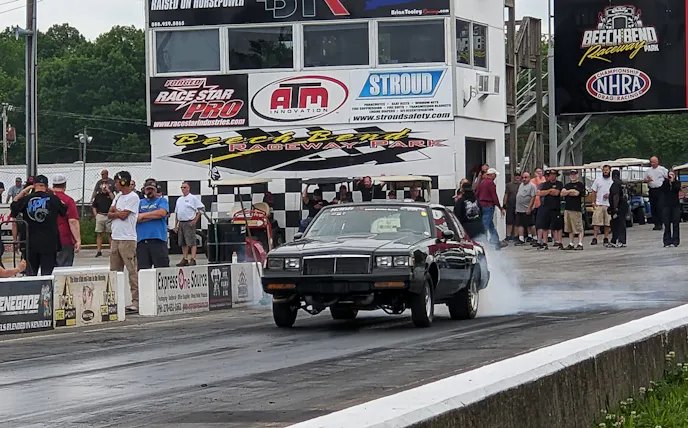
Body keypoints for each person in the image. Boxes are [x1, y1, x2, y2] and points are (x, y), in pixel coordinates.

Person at [10, 174, 67, 275]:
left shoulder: (27, 199)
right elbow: (64, 209)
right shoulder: (54, 199)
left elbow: (13, 205)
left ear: (34, 185)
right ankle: (46, 286)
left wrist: (24, 191)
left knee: (31, 274)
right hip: (49, 243)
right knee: (47, 274)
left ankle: (32, 285)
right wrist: (53, 193)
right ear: (46, 186)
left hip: (30, 242)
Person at [108, 171, 140, 313]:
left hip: (128, 238)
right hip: (116, 237)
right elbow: (110, 213)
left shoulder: (133, 197)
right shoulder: (118, 196)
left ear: (123, 182)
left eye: (116, 182)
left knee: (132, 270)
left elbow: (123, 215)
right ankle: (116, 300)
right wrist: (117, 212)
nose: (115, 185)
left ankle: (136, 300)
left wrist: (116, 212)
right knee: (114, 271)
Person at [137, 179, 170, 269]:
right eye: (148, 189)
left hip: (158, 240)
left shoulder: (162, 201)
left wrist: (143, 215)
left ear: (156, 190)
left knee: (162, 270)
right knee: (143, 271)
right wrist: (153, 215)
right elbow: (135, 218)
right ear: (144, 190)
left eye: (152, 189)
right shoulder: (139, 203)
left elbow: (162, 213)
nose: (150, 191)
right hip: (142, 241)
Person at [51, 174, 81, 266]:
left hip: (47, 239)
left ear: (53, 185)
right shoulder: (68, 200)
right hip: (64, 238)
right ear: (65, 185)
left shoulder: (46, 198)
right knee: (63, 269)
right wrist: (78, 239)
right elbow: (73, 221)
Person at [174, 181, 205, 266]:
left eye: (185, 187)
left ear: (189, 188)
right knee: (183, 242)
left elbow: (201, 209)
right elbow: (177, 213)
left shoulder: (193, 198)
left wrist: (195, 220)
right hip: (181, 222)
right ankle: (185, 258)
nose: (183, 189)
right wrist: (176, 225)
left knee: (191, 242)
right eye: (182, 187)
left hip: (189, 222)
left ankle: (193, 258)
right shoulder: (179, 199)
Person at [474, 167, 506, 249]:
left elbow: (477, 194)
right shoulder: (491, 183)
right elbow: (494, 196)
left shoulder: (482, 182)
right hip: (488, 205)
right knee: (485, 225)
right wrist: (500, 207)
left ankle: (496, 241)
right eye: (495, 175)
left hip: (481, 205)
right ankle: (484, 243)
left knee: (490, 224)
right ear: (491, 175)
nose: (495, 176)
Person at [535, 170, 563, 250]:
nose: (552, 176)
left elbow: (556, 193)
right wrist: (550, 191)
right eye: (551, 174)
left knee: (558, 226)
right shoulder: (545, 184)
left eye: (554, 174)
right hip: (546, 207)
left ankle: (559, 242)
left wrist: (547, 192)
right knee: (545, 226)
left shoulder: (559, 184)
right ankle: (545, 242)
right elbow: (540, 193)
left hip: (556, 208)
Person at [560, 169, 586, 250]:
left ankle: (580, 243)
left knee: (578, 227)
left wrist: (568, 192)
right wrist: (571, 191)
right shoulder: (567, 185)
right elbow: (562, 193)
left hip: (576, 209)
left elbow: (576, 193)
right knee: (569, 227)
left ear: (577, 175)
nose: (573, 176)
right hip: (567, 209)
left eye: (574, 174)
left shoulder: (580, 185)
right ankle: (571, 243)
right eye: (571, 174)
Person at [590, 165, 613, 246]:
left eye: (607, 170)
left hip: (608, 204)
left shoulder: (612, 181)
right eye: (604, 170)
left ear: (610, 171)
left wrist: (609, 195)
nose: (605, 172)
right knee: (596, 222)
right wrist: (593, 202)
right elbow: (593, 191)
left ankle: (605, 237)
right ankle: (595, 238)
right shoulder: (598, 180)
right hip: (599, 204)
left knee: (607, 223)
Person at [645, 156, 668, 231]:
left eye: (654, 162)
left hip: (660, 190)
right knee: (653, 207)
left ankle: (660, 223)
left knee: (660, 207)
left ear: (657, 162)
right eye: (651, 162)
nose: (652, 164)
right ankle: (656, 224)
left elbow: (668, 177)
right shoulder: (648, 171)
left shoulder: (662, 169)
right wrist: (647, 180)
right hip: (652, 190)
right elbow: (645, 179)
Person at [513, 171, 536, 246]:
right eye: (522, 177)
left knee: (531, 224)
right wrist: (516, 208)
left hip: (527, 209)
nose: (524, 179)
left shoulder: (532, 186)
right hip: (519, 209)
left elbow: (533, 197)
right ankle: (521, 238)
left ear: (529, 178)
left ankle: (535, 238)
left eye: (526, 177)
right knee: (519, 224)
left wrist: (529, 208)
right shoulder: (521, 185)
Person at [92, 181, 114, 257]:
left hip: (109, 216)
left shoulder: (110, 194)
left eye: (106, 184)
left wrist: (108, 191)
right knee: (99, 233)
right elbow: (94, 206)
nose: (104, 186)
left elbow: (114, 200)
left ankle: (112, 251)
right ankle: (99, 251)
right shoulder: (98, 196)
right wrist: (96, 215)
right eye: (103, 184)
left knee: (110, 234)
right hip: (100, 215)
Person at [608, 169, 628, 248]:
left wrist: (614, 208)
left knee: (619, 224)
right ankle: (614, 240)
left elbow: (616, 196)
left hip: (619, 206)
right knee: (616, 223)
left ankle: (621, 241)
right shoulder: (622, 183)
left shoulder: (615, 184)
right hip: (624, 205)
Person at [662, 170, 681, 247]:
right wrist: (668, 181)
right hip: (666, 205)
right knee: (667, 224)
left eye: (672, 174)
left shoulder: (677, 183)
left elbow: (676, 189)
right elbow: (663, 190)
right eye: (670, 174)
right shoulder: (665, 183)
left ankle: (675, 241)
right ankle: (667, 241)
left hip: (675, 205)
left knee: (676, 223)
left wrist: (673, 182)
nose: (671, 176)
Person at [530, 167, 547, 246]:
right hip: (535, 204)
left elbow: (541, 185)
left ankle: (547, 237)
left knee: (543, 222)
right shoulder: (532, 181)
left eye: (540, 171)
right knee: (536, 222)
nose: (538, 173)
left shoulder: (544, 179)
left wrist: (537, 178)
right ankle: (536, 238)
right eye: (537, 172)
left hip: (542, 204)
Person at [503, 171, 521, 243]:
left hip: (519, 206)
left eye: (518, 175)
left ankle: (516, 236)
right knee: (509, 221)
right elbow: (506, 194)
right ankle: (508, 235)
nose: (517, 177)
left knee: (517, 222)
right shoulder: (509, 185)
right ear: (514, 176)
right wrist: (504, 204)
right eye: (516, 175)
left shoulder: (522, 185)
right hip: (510, 205)